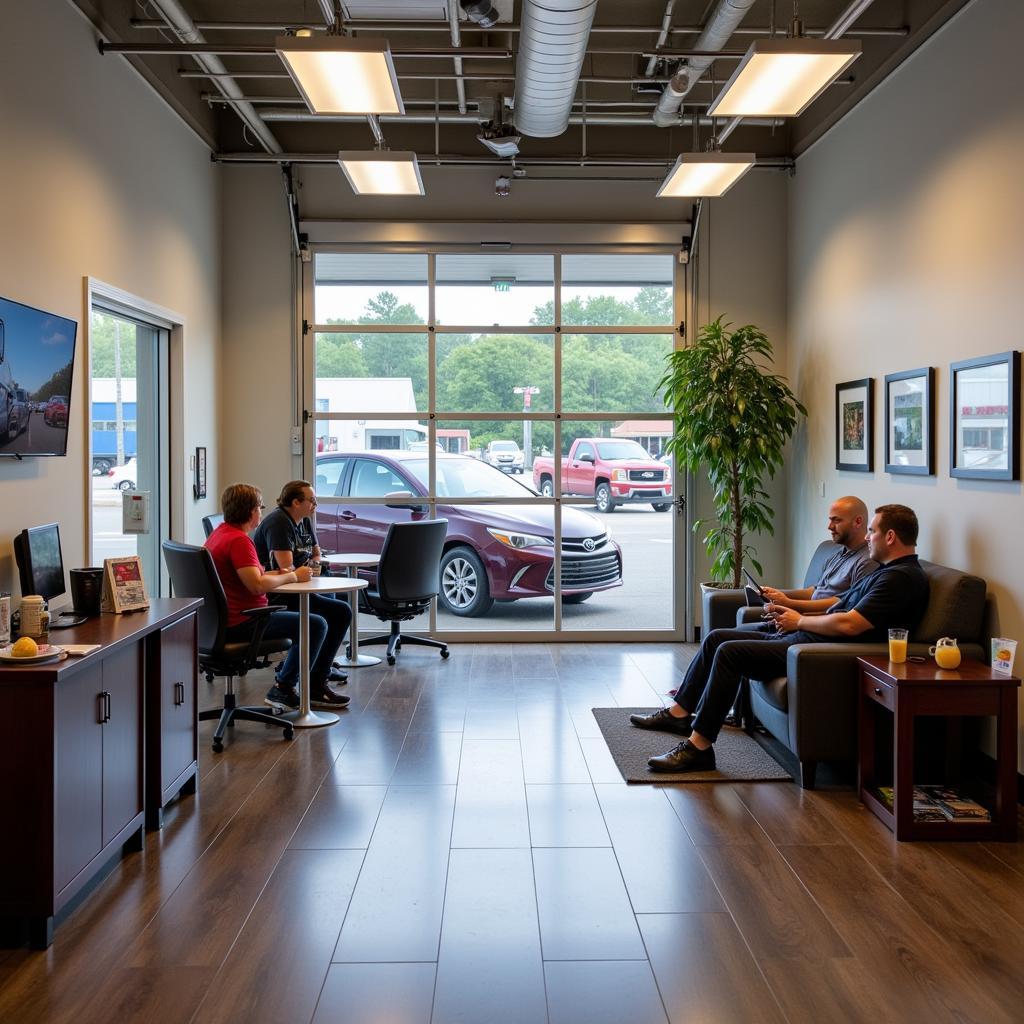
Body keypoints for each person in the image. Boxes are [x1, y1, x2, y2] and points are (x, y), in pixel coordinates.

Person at [633, 504, 930, 773]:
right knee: (715, 639)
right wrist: (791, 613)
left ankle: (699, 747)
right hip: (807, 634)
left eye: (872, 532)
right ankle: (679, 713)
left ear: (890, 537)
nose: (867, 538)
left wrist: (799, 620)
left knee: (729, 653)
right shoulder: (885, 573)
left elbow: (851, 624)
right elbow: (838, 604)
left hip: (817, 649)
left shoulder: (900, 579)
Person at [205, 483, 349, 712]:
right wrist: (291, 576)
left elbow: (252, 575)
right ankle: (283, 686)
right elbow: (256, 585)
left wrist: (276, 574)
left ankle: (314, 683)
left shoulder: (220, 534)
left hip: (224, 622)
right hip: (246, 621)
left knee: (336, 612)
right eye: (259, 507)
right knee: (316, 624)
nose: (261, 511)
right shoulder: (239, 541)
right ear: (251, 510)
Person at [252, 479, 352, 698]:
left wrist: (314, 565)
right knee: (336, 613)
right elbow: (285, 567)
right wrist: (305, 569)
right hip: (281, 593)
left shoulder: (304, 520)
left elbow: (316, 554)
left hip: (302, 583)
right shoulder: (279, 523)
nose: (315, 504)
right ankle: (307, 679)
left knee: (339, 607)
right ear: (296, 502)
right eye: (311, 500)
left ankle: (319, 671)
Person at [746, 495, 877, 621]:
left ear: (858, 522)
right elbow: (815, 591)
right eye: (830, 519)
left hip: (820, 623)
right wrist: (778, 594)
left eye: (836, 520)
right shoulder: (840, 551)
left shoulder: (867, 562)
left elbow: (846, 604)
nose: (830, 526)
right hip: (804, 618)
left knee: (732, 643)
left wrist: (791, 606)